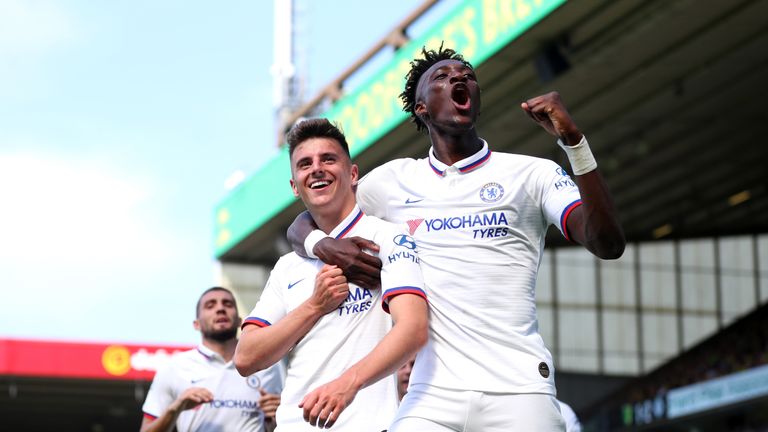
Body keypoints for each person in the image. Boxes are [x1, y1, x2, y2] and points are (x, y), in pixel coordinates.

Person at [289, 45, 625, 431]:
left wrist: (575, 143)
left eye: (466, 75)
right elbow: (308, 218)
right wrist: (325, 246)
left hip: (519, 389)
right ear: (422, 109)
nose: (460, 79)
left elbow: (607, 244)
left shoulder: (532, 174)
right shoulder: (393, 181)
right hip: (433, 393)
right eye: (442, 77)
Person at [234, 118, 429, 431]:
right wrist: (314, 306)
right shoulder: (288, 265)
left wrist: (347, 385)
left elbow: (414, 329)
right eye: (305, 164)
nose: (317, 169)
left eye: (328, 159)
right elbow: (246, 357)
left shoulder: (390, 238)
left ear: (353, 174)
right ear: (295, 187)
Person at [141, 287, 285, 432]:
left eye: (227, 304)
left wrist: (277, 419)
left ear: (240, 321)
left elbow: (281, 423)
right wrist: (176, 407)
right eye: (210, 305)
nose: (220, 308)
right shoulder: (174, 367)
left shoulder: (269, 365)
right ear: (196, 324)